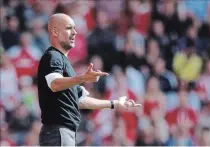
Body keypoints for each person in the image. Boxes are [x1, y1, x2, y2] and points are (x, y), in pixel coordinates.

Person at [37, 13, 142, 146]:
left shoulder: (65, 63)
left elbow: (82, 100)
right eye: (69, 28)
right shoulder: (53, 57)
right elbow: (55, 84)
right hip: (57, 132)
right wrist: (82, 78)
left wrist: (113, 104)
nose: (74, 32)